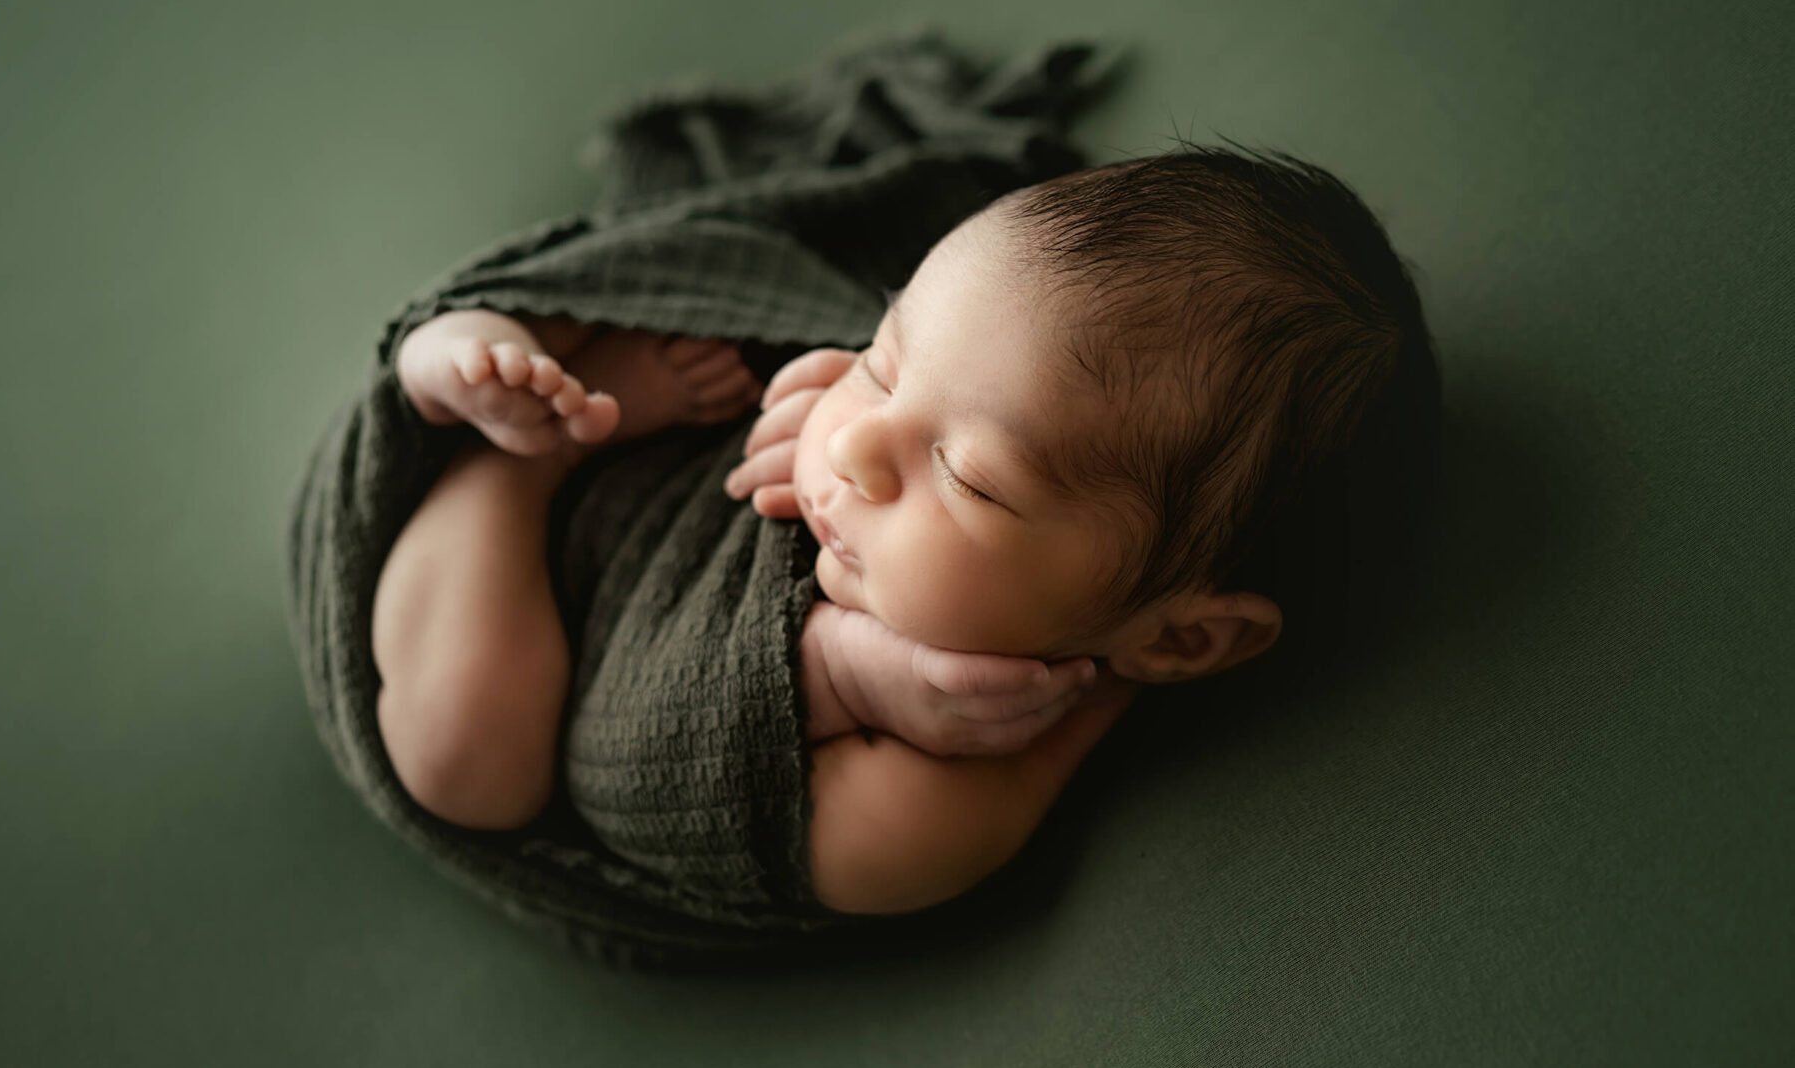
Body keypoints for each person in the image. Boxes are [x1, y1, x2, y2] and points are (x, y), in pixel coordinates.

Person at [370, 143, 1429, 916]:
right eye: (886, 349)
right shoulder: (870, 438)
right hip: (648, 439)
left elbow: (629, 780)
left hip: (544, 619)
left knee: (468, 764)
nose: (858, 446)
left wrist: (836, 679)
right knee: (678, 296)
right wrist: (818, 376)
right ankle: (472, 359)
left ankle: (505, 465)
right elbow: (836, 385)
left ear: (1175, 638)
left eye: (968, 476)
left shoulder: (946, 793)